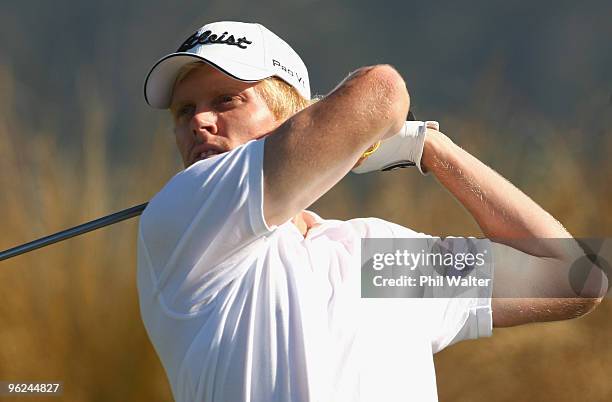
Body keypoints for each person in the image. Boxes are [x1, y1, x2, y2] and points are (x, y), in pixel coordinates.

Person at [137, 21, 606, 402]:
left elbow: (577, 276)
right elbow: (382, 92)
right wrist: (355, 127)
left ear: (290, 116)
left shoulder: (373, 260)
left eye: (226, 99)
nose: (199, 121)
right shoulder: (183, 220)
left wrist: (433, 149)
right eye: (184, 111)